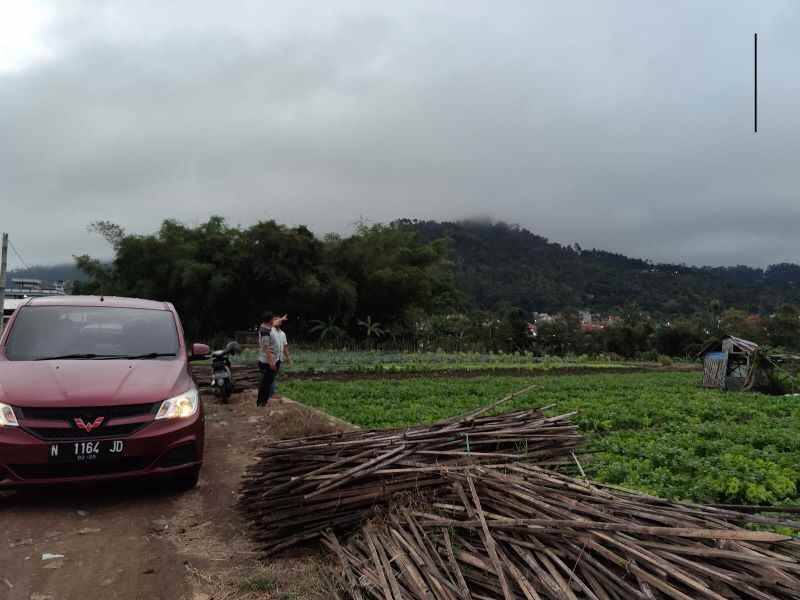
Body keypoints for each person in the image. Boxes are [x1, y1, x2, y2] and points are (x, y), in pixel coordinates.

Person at [256, 311, 280, 407]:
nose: (274, 320)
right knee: (266, 384)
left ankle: (261, 402)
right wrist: (272, 363)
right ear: (269, 320)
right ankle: (262, 403)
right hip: (267, 362)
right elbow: (266, 349)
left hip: (269, 360)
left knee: (266, 382)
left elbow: (275, 322)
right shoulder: (265, 332)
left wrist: (281, 319)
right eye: (273, 319)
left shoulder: (266, 326)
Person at [270, 315, 292, 399]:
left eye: (279, 320)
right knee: (270, 376)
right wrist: (281, 319)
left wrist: (289, 359)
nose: (278, 321)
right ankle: (272, 394)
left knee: (273, 376)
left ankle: (271, 393)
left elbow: (285, 347)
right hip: (271, 358)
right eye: (276, 320)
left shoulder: (283, 334)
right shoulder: (271, 331)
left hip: (279, 358)